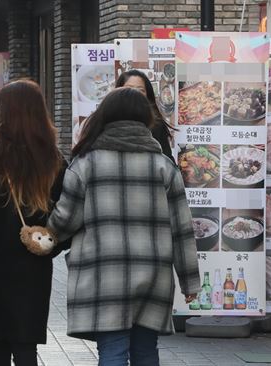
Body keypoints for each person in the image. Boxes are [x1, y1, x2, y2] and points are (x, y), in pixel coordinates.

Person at [47, 88, 200, 366]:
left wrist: (45, 236)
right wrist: (190, 281)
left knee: (113, 352)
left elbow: (65, 220)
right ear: (146, 118)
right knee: (145, 351)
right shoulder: (163, 166)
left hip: (104, 274)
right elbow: (182, 229)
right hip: (154, 274)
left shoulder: (86, 164)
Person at [0, 80, 66, 366]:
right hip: (34, 261)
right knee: (26, 342)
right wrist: (52, 245)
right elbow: (67, 210)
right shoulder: (53, 159)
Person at [115, 70, 175, 161]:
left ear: (147, 95)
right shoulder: (107, 122)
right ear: (117, 92)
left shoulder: (156, 125)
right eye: (129, 88)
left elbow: (168, 162)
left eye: (140, 90)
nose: (134, 94)